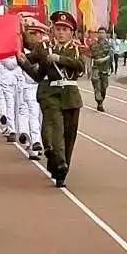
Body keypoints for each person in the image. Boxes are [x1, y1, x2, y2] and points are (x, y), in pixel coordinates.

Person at [30, 10, 85, 187]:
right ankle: (59, 161)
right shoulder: (46, 49)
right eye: (58, 29)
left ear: (71, 32)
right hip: (52, 94)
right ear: (53, 30)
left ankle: (62, 169)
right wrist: (22, 61)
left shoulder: (76, 49)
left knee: (69, 136)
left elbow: (80, 66)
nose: (61, 32)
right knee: (54, 130)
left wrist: (60, 58)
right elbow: (37, 74)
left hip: (71, 97)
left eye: (65, 29)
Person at [14, 17, 47, 161]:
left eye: (37, 33)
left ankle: (28, 140)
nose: (35, 37)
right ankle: (35, 142)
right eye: (32, 34)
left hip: (38, 86)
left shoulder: (43, 49)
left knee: (32, 114)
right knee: (29, 113)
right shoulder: (24, 50)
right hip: (25, 85)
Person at [89, 26, 113, 112]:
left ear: (106, 34)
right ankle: (99, 102)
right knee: (97, 87)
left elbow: (110, 55)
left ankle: (101, 101)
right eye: (99, 33)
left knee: (104, 88)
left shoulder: (109, 45)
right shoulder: (93, 45)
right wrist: (89, 68)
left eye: (103, 33)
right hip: (96, 68)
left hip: (105, 69)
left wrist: (103, 60)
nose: (101, 34)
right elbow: (90, 56)